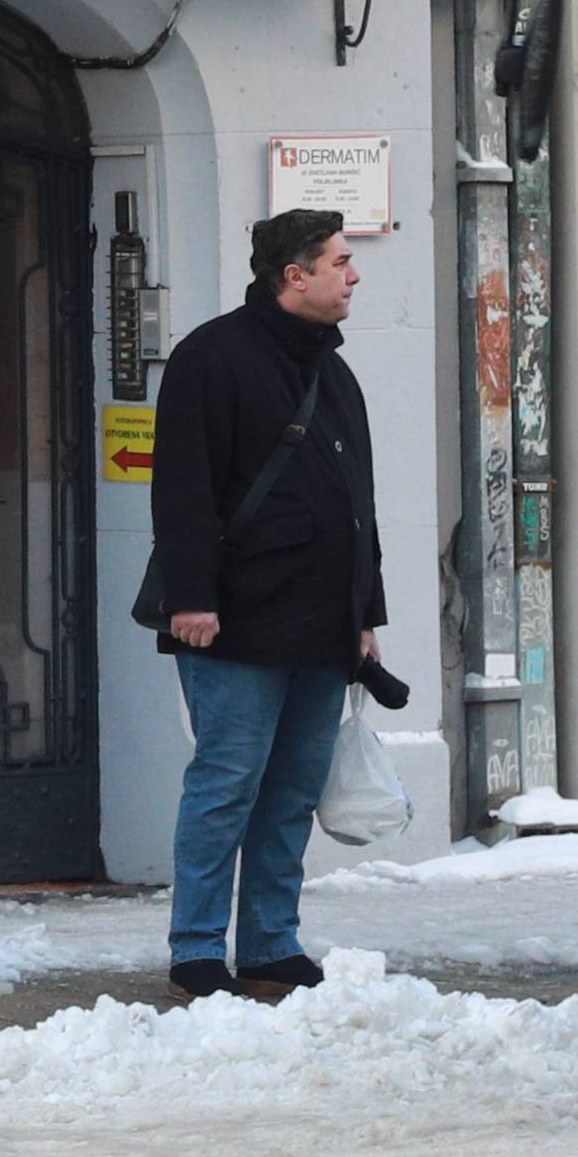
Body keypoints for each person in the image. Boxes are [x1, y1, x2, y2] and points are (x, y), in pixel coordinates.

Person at [140, 206, 388, 1006]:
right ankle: (197, 949)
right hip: (235, 621)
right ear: (295, 275)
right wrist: (192, 598)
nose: (352, 275)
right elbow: (181, 488)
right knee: (227, 785)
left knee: (291, 793)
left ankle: (271, 943)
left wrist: (365, 615)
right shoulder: (212, 358)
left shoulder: (333, 371)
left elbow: (359, 506)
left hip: (322, 623)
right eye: (340, 262)